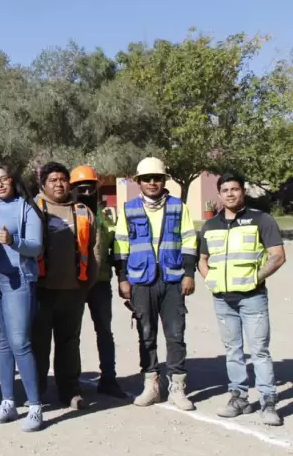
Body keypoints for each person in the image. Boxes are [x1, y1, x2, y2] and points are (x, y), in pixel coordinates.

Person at [199, 172, 285, 426]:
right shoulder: (211, 225)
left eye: (234, 189)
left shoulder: (261, 220)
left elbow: (277, 256)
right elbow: (202, 260)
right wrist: (210, 280)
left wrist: (255, 278)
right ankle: (239, 397)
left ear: (242, 191)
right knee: (233, 350)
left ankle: (268, 401)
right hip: (223, 299)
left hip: (253, 298)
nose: (230, 194)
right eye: (225, 190)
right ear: (219, 194)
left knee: (259, 350)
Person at [113, 157, 197, 411]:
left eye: (157, 178)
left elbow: (189, 241)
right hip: (141, 280)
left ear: (164, 180)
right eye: (147, 178)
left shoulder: (179, 207)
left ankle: (177, 387)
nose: (152, 182)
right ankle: (151, 384)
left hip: (172, 279)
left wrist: (189, 273)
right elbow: (120, 247)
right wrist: (123, 278)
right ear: (138, 182)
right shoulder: (128, 209)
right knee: (146, 335)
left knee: (175, 335)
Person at [0, 164, 45, 432]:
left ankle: (35, 406)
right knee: (2, 343)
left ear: (13, 181)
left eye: (5, 178)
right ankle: (8, 402)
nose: (0, 183)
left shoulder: (25, 208)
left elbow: (37, 246)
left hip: (19, 281)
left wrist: (13, 241)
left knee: (20, 342)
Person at [32, 162, 103, 410]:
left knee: (69, 343)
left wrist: (86, 285)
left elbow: (95, 250)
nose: (59, 184)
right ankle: (36, 391)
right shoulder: (33, 209)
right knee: (38, 344)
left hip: (73, 292)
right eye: (53, 180)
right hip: (41, 291)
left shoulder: (84, 212)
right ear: (43, 184)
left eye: (63, 179)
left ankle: (70, 390)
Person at [69, 165, 127, 399]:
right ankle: (71, 382)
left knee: (104, 332)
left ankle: (109, 379)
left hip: (101, 283)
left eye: (89, 187)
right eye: (80, 188)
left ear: (97, 187)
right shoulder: (68, 214)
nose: (85, 191)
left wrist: (123, 278)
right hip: (73, 285)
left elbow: (115, 249)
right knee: (72, 335)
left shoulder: (105, 216)